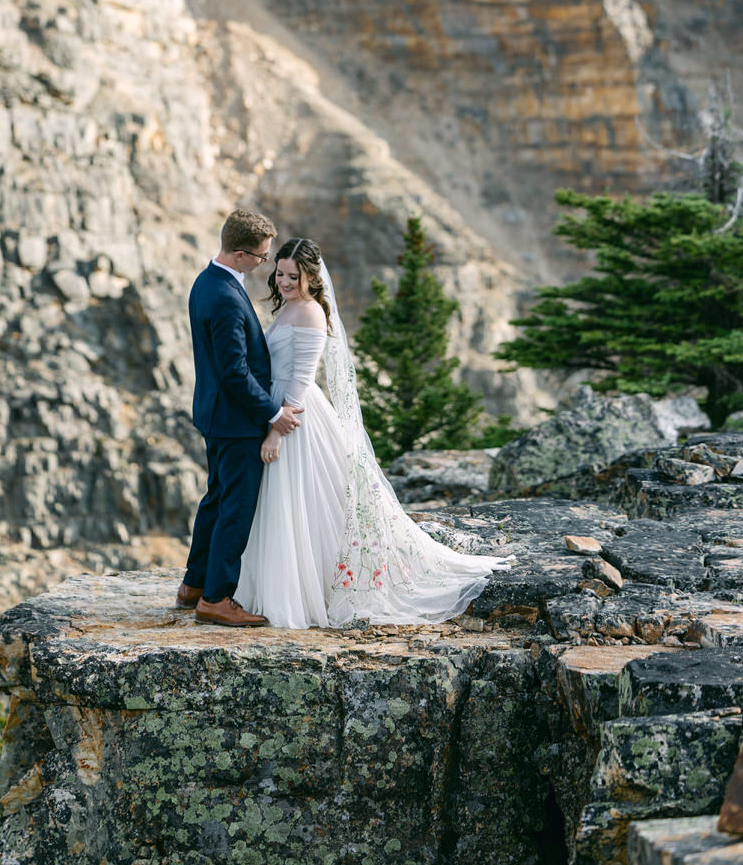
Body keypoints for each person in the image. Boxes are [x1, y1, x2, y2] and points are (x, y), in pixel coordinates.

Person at [234, 237, 512, 629]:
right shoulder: (289, 307)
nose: (283, 281)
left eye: (293, 276)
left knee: (299, 501)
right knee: (290, 506)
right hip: (278, 407)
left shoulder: (311, 313)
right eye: (279, 273)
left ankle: (304, 591)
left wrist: (277, 431)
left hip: (295, 416)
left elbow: (301, 378)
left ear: (311, 277)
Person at [178, 209, 303, 627]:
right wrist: (272, 413)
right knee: (236, 507)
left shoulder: (206, 281)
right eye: (262, 257)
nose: (265, 264)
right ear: (239, 253)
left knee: (215, 499)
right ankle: (216, 598)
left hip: (215, 415)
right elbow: (235, 372)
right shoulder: (228, 298)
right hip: (236, 421)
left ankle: (193, 584)